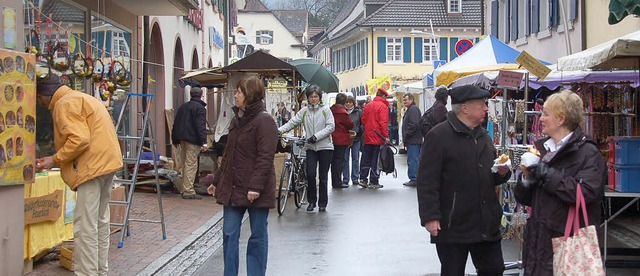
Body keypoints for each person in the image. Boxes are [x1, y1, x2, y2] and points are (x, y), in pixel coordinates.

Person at [416, 85, 511, 276]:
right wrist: (430, 216)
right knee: (453, 271)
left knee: (494, 269)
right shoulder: (438, 136)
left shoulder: (483, 136)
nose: (486, 108)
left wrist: (501, 173)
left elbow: (489, 174)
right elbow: (427, 180)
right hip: (453, 224)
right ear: (465, 108)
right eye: (482, 104)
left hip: (486, 222)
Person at [34, 74, 123, 276]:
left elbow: (79, 140)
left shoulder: (64, 103)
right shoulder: (80, 97)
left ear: (45, 94)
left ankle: (88, 273)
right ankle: (100, 271)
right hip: (106, 164)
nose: (41, 104)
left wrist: (54, 159)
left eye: (39, 99)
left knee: (86, 227)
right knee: (100, 222)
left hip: (92, 168)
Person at [515, 90, 605, 276]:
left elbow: (586, 193)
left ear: (561, 119)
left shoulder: (588, 153)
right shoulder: (542, 149)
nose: (540, 118)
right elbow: (525, 199)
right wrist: (526, 178)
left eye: (546, 114)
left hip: (566, 245)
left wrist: (546, 174)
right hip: (538, 248)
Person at [208, 76, 278, 276]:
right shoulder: (236, 119)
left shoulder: (264, 121)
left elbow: (265, 157)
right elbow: (228, 154)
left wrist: (255, 186)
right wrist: (216, 181)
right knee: (229, 233)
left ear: (250, 95)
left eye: (239, 92)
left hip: (255, 188)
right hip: (233, 187)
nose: (236, 95)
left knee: (257, 236)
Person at [279, 85, 335, 211]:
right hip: (310, 147)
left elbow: (331, 127)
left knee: (323, 177)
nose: (313, 99)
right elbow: (292, 122)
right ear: (308, 98)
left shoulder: (326, 110)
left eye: (316, 96)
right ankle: (311, 201)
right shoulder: (304, 111)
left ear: (319, 98)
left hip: (325, 147)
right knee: (310, 174)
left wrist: (316, 136)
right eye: (311, 97)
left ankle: (322, 203)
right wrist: (279, 131)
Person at [172, 87, 208, 199]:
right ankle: (188, 190)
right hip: (193, 139)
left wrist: (175, 139)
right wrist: (204, 142)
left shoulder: (183, 107)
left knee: (184, 163)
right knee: (191, 164)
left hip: (182, 138)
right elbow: (200, 126)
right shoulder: (200, 108)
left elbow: (176, 123)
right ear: (201, 95)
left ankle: (184, 188)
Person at [359, 87, 390, 189]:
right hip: (378, 136)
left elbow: (363, 120)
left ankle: (363, 178)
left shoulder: (368, 105)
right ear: (384, 96)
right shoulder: (383, 106)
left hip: (368, 136)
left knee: (365, 157)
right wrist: (386, 136)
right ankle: (374, 180)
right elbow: (383, 123)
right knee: (375, 159)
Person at [330, 93, 354, 189]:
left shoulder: (331, 110)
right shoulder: (342, 112)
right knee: (339, 161)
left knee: (334, 161)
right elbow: (350, 124)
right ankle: (338, 182)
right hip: (341, 138)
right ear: (344, 101)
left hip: (332, 138)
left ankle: (334, 181)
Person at [401, 93, 422, 187]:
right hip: (413, 139)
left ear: (411, 100)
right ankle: (414, 178)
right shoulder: (411, 109)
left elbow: (414, 124)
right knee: (413, 159)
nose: (404, 102)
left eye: (406, 100)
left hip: (413, 139)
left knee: (413, 159)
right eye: (404, 100)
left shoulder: (413, 109)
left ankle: (414, 178)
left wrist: (407, 134)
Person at [342, 95, 363, 186]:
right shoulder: (342, 111)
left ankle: (355, 178)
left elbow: (362, 123)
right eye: (347, 102)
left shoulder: (358, 112)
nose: (348, 104)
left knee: (355, 158)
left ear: (353, 103)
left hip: (356, 138)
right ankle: (345, 179)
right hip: (345, 139)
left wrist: (359, 131)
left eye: (350, 102)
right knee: (345, 159)